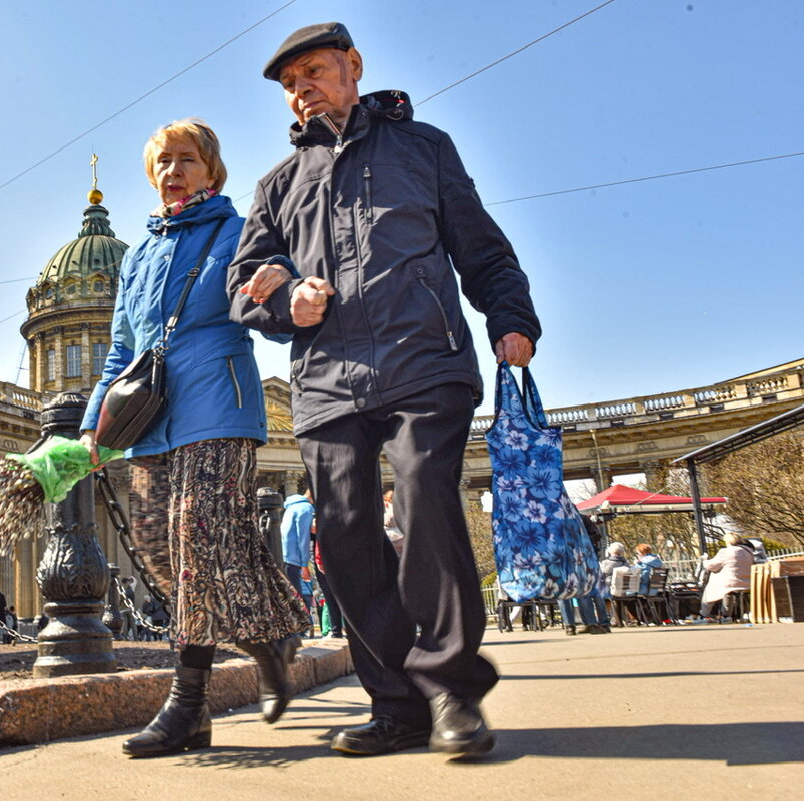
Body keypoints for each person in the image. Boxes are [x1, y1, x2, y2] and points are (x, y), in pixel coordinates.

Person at [228, 22, 540, 757]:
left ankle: (451, 693)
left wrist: (510, 315)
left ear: (353, 66)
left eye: (312, 71)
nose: (301, 88)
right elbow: (244, 286)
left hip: (422, 359)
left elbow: (480, 245)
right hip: (325, 381)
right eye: (289, 82)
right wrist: (281, 304)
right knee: (343, 535)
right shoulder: (275, 184)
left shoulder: (423, 147)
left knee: (429, 502)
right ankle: (394, 703)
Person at [79, 118, 310, 758]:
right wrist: (94, 424)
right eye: (163, 162)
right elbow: (121, 349)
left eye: (187, 159)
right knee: (161, 552)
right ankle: (273, 637)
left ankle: (187, 707)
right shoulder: (138, 254)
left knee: (196, 539)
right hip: (147, 420)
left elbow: (269, 305)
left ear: (211, 169)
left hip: (219, 409)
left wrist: (282, 294)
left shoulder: (237, 232)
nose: (173, 171)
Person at [700, 532, 755, 620]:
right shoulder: (749, 551)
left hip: (731, 583)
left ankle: (704, 614)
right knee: (727, 592)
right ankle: (726, 614)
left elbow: (711, 566)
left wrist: (705, 560)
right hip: (747, 583)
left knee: (710, 589)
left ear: (728, 541)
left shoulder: (726, 552)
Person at [281, 490, 315, 624]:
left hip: (284, 554)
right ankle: (298, 627)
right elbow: (303, 539)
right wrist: (304, 564)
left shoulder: (292, 506)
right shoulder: (306, 509)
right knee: (297, 595)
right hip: (294, 557)